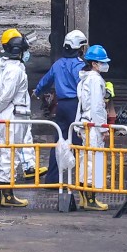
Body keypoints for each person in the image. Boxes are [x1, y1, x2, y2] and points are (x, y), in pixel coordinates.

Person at [0, 28, 35, 207]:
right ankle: (7, 195)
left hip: (4, 113)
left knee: (1, 153)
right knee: (10, 154)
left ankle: (0, 194)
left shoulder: (2, 65)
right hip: (13, 114)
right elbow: (6, 95)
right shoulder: (15, 70)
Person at [33, 29, 87, 184]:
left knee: (59, 142)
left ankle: (52, 179)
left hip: (61, 106)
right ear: (79, 48)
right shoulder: (79, 66)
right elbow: (84, 88)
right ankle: (81, 181)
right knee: (79, 142)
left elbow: (45, 81)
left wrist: (37, 92)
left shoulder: (58, 64)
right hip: (75, 106)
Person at [75, 44, 112, 210]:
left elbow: (82, 104)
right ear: (94, 64)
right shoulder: (95, 80)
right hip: (93, 125)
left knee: (85, 159)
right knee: (93, 161)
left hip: (85, 122)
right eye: (102, 62)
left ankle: (84, 198)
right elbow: (97, 106)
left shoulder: (85, 78)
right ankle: (90, 199)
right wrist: (103, 128)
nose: (105, 65)